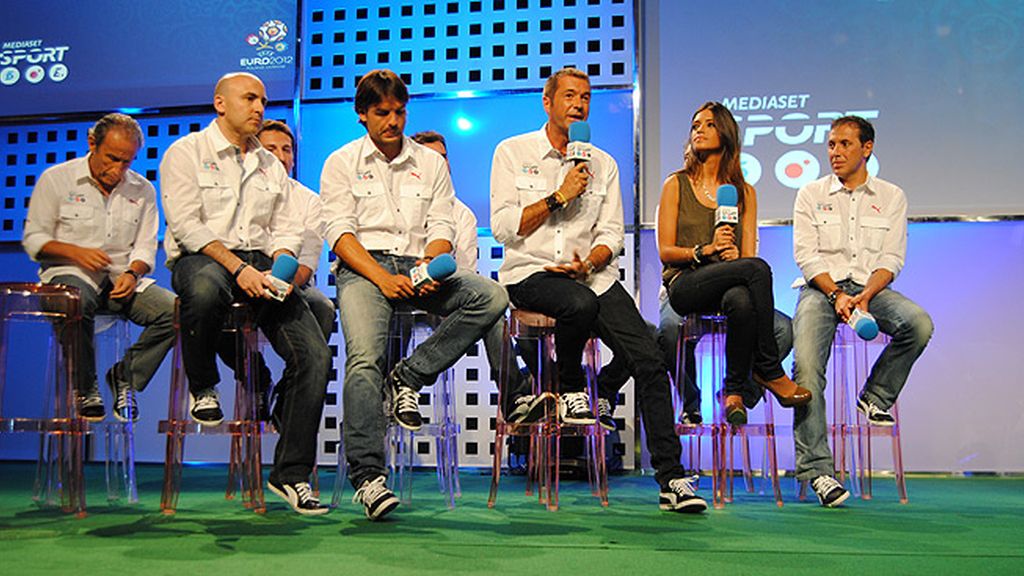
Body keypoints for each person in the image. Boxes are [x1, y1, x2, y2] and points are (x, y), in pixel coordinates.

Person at [491, 67, 707, 513]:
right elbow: (504, 228)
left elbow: (610, 234)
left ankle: (672, 479)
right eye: (569, 96)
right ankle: (571, 386)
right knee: (579, 303)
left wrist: (589, 262)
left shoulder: (603, 163)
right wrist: (559, 196)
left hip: (591, 274)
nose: (579, 104)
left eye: (586, 97)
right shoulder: (512, 152)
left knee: (649, 356)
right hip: (531, 271)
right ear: (547, 102)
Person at [320, 69, 508, 521]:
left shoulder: (430, 162)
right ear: (362, 114)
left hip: (417, 263)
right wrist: (381, 279)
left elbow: (442, 224)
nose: (393, 121)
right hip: (363, 269)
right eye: (382, 112)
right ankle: (369, 477)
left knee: (490, 297)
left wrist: (430, 263)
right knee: (364, 359)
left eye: (400, 112)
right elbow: (339, 234)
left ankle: (408, 376)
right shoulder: (341, 161)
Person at [160, 72, 331, 516]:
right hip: (205, 255)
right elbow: (186, 225)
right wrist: (239, 269)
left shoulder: (270, 165)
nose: (259, 108)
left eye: (263, 100)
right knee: (203, 288)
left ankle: (291, 473)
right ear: (220, 103)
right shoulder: (186, 152)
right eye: (249, 98)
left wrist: (279, 268)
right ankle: (204, 386)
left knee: (315, 355)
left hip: (260, 261)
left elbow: (286, 229)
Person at [791, 115, 933, 507]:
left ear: (867, 148)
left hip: (872, 288)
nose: (835, 152)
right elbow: (806, 255)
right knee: (806, 366)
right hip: (820, 289)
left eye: (844, 144)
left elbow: (892, 257)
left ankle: (875, 395)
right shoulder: (810, 193)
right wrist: (836, 294)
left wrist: (866, 295)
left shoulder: (891, 196)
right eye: (831, 145)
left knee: (919, 323)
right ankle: (819, 471)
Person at [657, 101, 811, 427]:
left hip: (726, 285)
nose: (698, 130)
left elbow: (747, 255)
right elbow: (665, 252)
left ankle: (735, 391)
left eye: (708, 124)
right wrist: (706, 250)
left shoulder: (744, 193)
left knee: (747, 302)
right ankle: (766, 370)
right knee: (758, 269)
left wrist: (733, 257)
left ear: (725, 133)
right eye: (695, 125)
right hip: (685, 283)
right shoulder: (676, 184)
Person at [22, 113, 176, 423]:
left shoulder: (142, 189)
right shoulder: (57, 178)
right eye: (112, 158)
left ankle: (124, 376)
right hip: (69, 274)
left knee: (176, 311)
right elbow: (34, 239)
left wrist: (133, 273)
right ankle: (85, 387)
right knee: (76, 299)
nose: (118, 169)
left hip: (120, 278)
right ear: (92, 143)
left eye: (126, 161)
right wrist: (76, 253)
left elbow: (145, 247)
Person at [410, 130, 531, 417]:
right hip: (402, 291)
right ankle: (393, 392)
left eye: (444, 157)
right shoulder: (402, 206)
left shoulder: (462, 214)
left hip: (441, 296)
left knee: (492, 308)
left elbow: (466, 272)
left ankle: (513, 399)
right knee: (392, 322)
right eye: (432, 157)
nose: (440, 163)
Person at [256, 120, 336, 341]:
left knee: (323, 306)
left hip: (293, 283)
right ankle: (250, 364)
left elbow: (307, 263)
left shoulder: (309, 200)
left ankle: (314, 364)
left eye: (287, 150)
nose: (281, 157)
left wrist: (282, 283)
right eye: (271, 149)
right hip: (249, 276)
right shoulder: (242, 190)